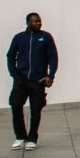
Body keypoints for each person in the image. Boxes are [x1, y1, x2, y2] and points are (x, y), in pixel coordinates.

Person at [6, 12, 58, 150]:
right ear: (28, 23)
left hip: (38, 80)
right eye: (35, 21)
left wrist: (50, 76)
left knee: (36, 109)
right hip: (21, 80)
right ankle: (20, 136)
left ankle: (32, 139)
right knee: (16, 105)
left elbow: (53, 57)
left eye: (39, 21)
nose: (39, 23)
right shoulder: (19, 38)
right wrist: (14, 74)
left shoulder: (45, 37)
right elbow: (10, 56)